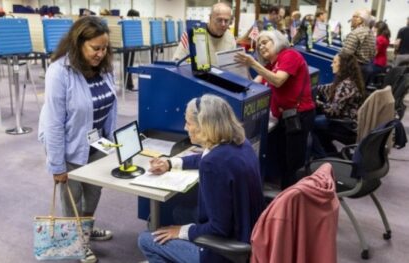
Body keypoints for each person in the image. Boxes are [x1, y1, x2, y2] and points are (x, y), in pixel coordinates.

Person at [138, 94, 265, 263]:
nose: (185, 127)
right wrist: (171, 163)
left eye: (188, 123)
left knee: (146, 240)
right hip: (247, 228)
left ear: (204, 126)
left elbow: (219, 228)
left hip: (223, 251)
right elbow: (205, 157)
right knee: (178, 212)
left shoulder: (213, 165)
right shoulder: (240, 143)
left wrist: (182, 232)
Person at [38, 16, 117, 263]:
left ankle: (86, 228)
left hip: (97, 143)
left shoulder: (103, 68)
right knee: (72, 197)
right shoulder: (59, 72)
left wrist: (112, 143)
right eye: (95, 48)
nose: (101, 54)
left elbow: (109, 107)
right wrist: (58, 165)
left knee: (93, 192)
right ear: (78, 44)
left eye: (104, 48)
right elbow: (53, 123)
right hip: (69, 145)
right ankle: (75, 240)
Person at [235, 30, 315, 189]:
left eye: (265, 42)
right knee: (282, 160)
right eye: (259, 45)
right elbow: (254, 85)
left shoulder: (289, 55)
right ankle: (284, 197)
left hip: (298, 116)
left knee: (291, 164)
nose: (261, 47)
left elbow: (278, 80)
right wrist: (242, 70)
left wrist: (254, 64)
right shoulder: (273, 63)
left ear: (277, 41)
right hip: (286, 117)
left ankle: (291, 203)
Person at [312, 52, 365, 156]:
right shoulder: (348, 80)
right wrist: (311, 88)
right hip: (347, 121)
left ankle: (322, 156)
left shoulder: (346, 86)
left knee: (310, 124)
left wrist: (316, 102)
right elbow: (325, 88)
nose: (331, 65)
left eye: (334, 62)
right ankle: (331, 153)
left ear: (343, 66)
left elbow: (333, 111)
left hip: (345, 125)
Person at [342, 9, 375, 85]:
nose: (351, 19)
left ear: (360, 20)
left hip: (355, 69)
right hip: (366, 68)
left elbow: (346, 55)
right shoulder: (370, 33)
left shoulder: (355, 33)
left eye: (354, 16)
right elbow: (373, 54)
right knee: (359, 93)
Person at [124, 9, 140, 91]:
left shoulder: (131, 24)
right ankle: (128, 84)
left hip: (132, 46)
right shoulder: (125, 23)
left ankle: (128, 84)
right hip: (126, 47)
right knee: (127, 65)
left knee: (129, 65)